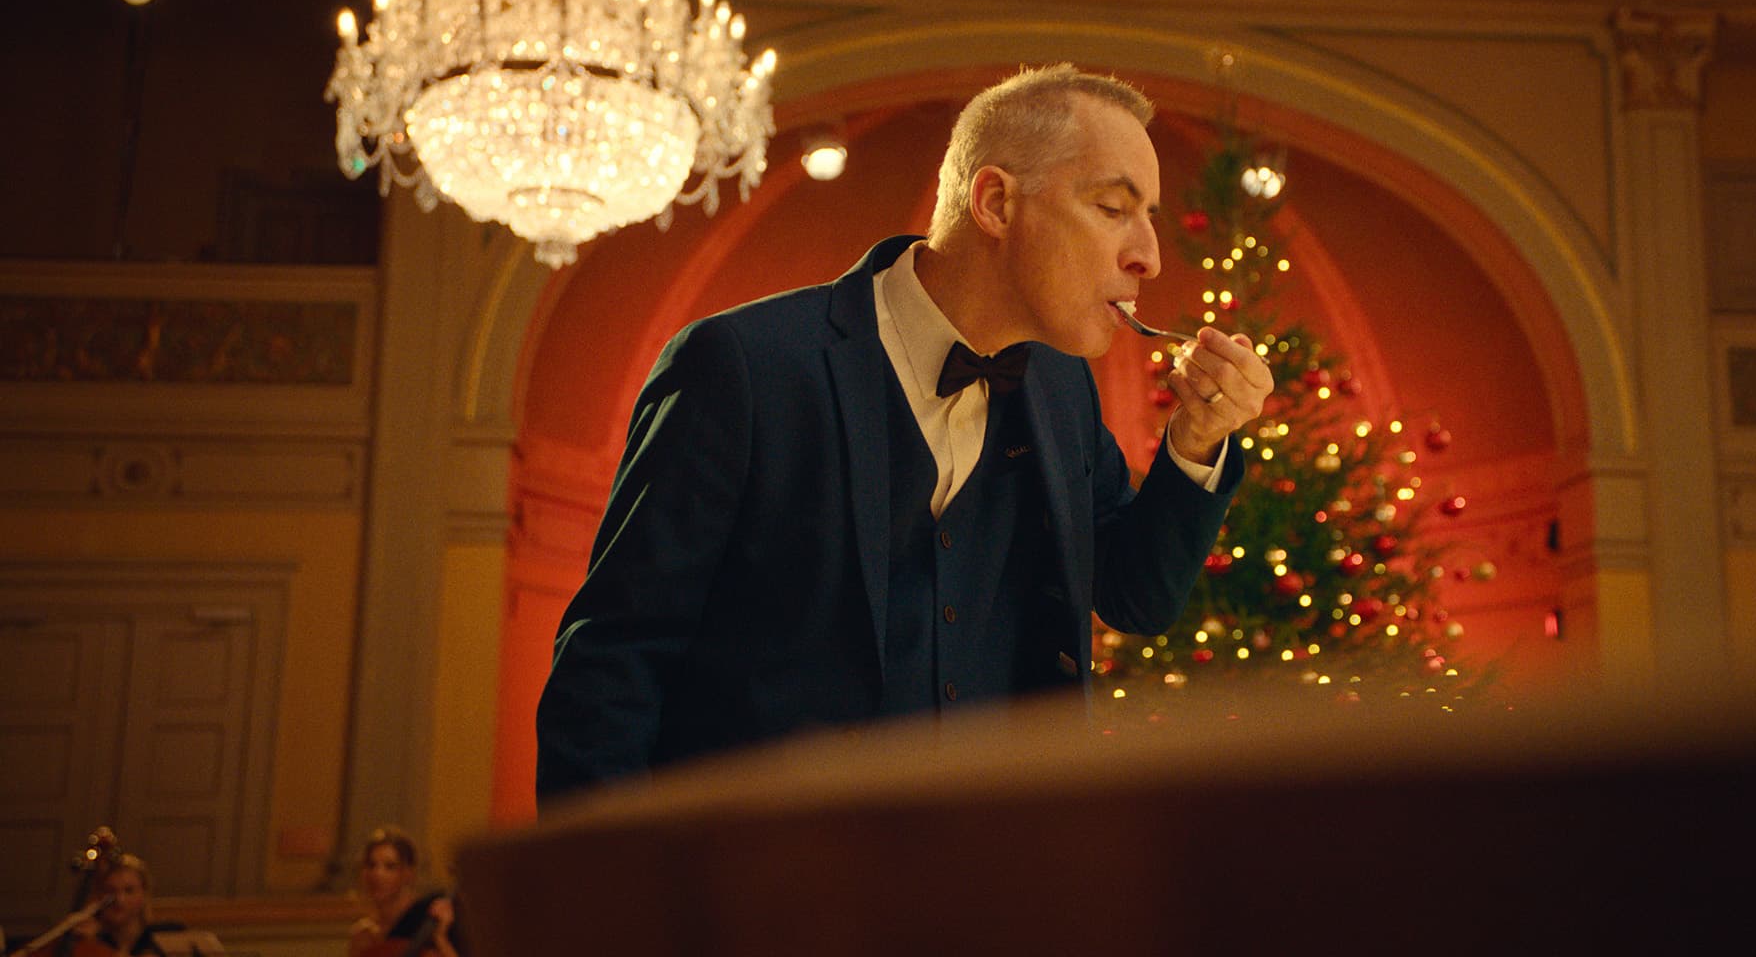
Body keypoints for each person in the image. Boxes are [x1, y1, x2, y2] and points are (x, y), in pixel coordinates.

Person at [535, 63, 1275, 800]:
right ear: (995, 203)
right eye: (1114, 208)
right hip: (762, 863)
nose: (1149, 256)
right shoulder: (741, 367)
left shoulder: (1062, 388)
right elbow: (613, 663)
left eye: (1149, 218)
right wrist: (612, 872)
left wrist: (1196, 441)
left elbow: (1135, 597)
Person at [61, 854, 222, 956]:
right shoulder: (93, 941)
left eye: (129, 891)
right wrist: (90, 944)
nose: (119, 900)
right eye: (110, 891)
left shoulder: (169, 933)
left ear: (144, 894)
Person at [346, 827, 459, 957]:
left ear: (407, 873)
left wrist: (440, 939)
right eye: (371, 865)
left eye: (390, 866)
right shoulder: (362, 935)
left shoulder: (428, 921)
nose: (377, 874)